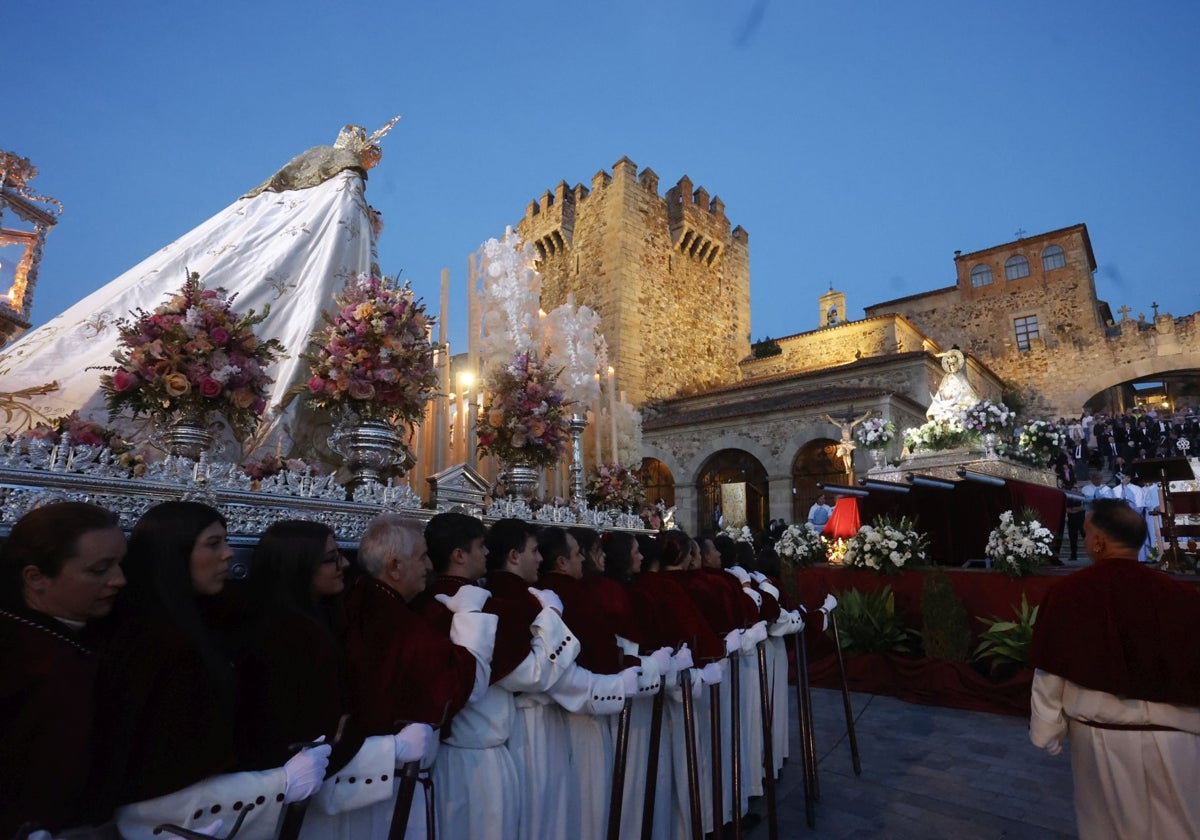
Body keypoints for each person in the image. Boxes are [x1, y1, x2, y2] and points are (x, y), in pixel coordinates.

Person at [90, 501, 331, 840]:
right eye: (213, 543)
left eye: (226, 541)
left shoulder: (202, 623)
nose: (229, 554)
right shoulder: (153, 643)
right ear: (174, 552)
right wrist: (279, 784)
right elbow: (153, 787)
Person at [234, 520, 437, 839]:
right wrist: (390, 750)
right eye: (331, 559)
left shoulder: (325, 615)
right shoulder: (287, 633)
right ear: (297, 566)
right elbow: (310, 735)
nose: (344, 563)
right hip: (298, 799)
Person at [1029, 499, 1200, 839]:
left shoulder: (1068, 593)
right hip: (1180, 741)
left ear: (1098, 542)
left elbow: (1051, 666)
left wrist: (1047, 729)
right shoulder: (1183, 596)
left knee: (1108, 831)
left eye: (1087, 531)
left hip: (1103, 740)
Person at [414, 512, 579, 840]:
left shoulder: (424, 601)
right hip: (475, 760)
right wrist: (551, 616)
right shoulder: (482, 605)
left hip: (451, 756)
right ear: (459, 555)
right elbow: (532, 674)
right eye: (480, 546)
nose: (487, 554)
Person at [338, 514, 497, 840]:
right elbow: (465, 685)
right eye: (422, 557)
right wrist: (470, 615)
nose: (429, 566)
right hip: (382, 783)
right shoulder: (393, 621)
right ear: (394, 567)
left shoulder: (370, 601)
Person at [0, 502, 126, 838]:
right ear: (36, 577)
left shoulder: (83, 637)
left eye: (119, 565)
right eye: (99, 570)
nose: (119, 580)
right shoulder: (20, 655)